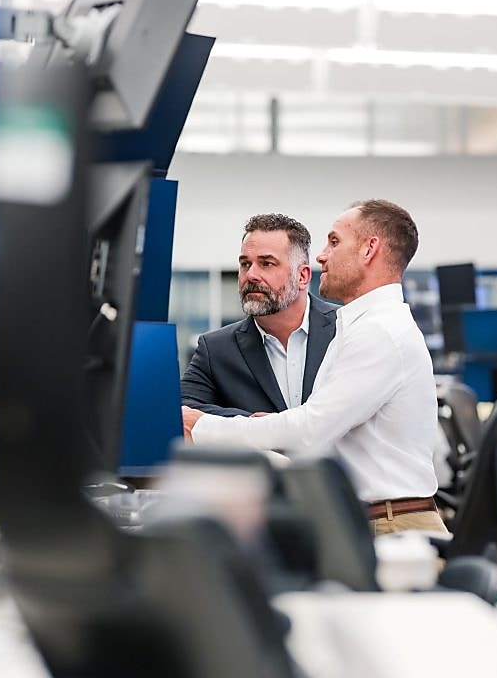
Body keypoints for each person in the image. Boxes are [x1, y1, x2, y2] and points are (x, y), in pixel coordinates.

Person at [182, 200, 444, 535]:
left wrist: (205, 428)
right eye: (245, 263)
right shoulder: (358, 326)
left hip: (392, 524)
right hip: (364, 521)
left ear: (369, 250)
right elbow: (316, 437)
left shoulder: (378, 332)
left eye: (334, 242)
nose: (322, 256)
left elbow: (309, 432)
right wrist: (279, 427)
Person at [181, 213, 339, 417]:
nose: (251, 275)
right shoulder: (216, 350)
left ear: (302, 276)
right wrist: (255, 425)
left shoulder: (346, 328)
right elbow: (183, 409)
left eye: (266, 264)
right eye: (245, 264)